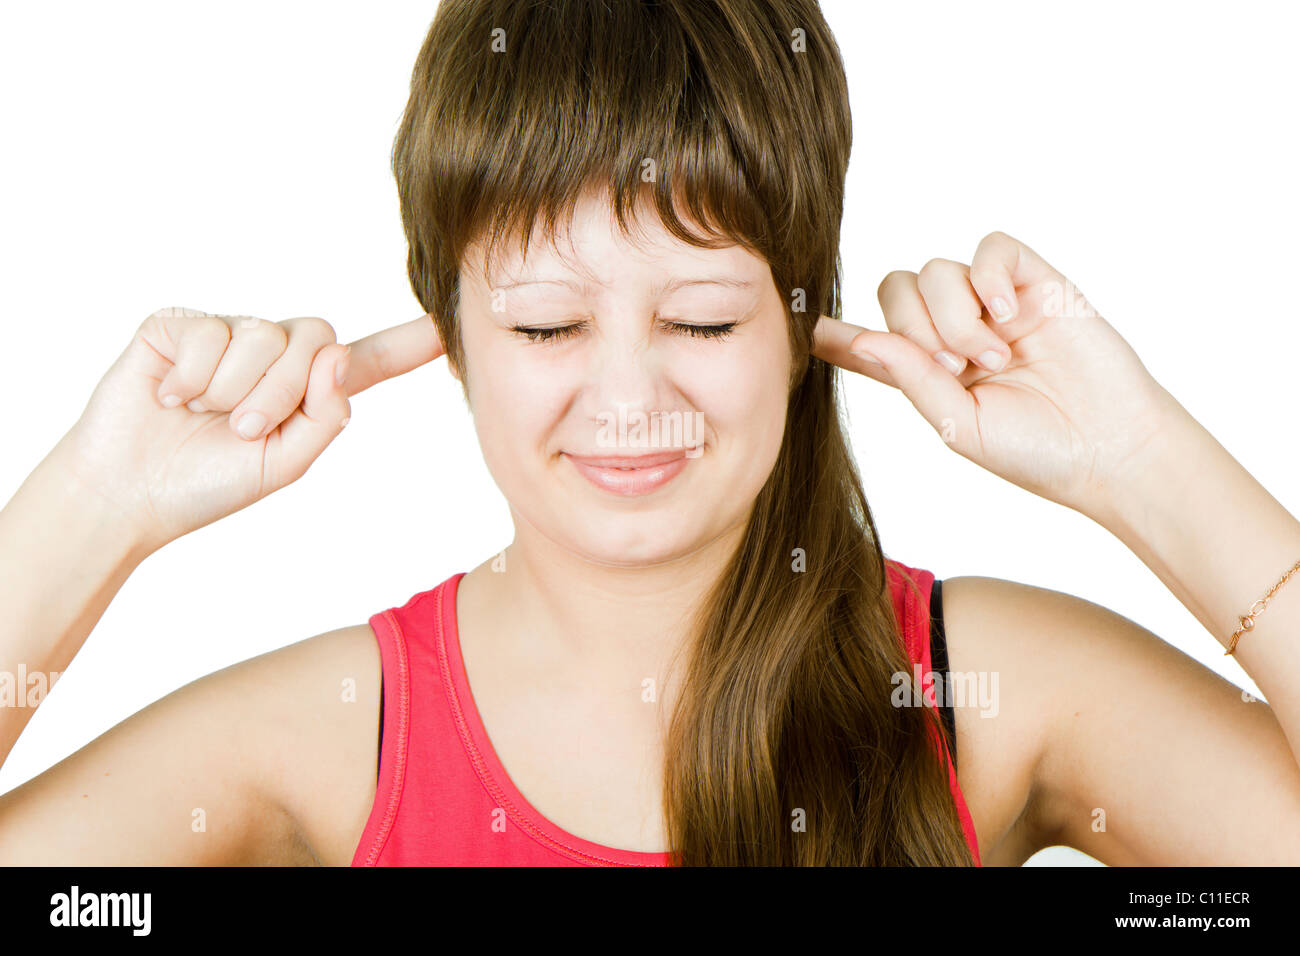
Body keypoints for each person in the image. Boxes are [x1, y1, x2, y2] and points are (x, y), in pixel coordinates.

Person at [2, 0, 1298, 867]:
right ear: (445, 331)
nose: (628, 399)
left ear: (803, 322)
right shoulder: (324, 739)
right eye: (548, 328)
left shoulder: (979, 690)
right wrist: (95, 503)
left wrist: (1142, 462)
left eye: (702, 320)